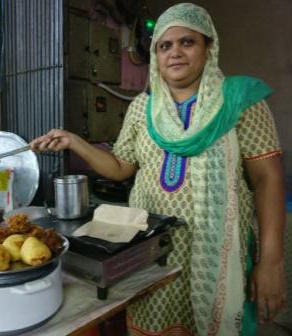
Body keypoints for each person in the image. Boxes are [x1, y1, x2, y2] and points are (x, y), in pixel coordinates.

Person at [30, 3, 286, 335]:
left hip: (216, 255)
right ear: (155, 55)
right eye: (164, 45)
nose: (175, 53)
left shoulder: (239, 100)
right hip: (152, 254)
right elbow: (121, 167)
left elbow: (269, 179)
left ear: (209, 47)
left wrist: (271, 260)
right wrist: (74, 141)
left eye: (187, 42)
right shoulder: (142, 108)